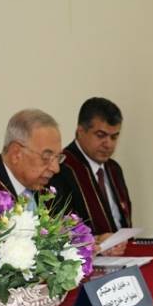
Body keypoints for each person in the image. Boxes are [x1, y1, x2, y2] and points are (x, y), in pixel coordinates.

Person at [50, 97, 132, 255]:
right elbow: (58, 230)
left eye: (114, 137)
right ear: (80, 131)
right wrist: (96, 241)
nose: (108, 144)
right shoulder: (61, 170)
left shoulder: (114, 169)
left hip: (123, 257)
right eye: (101, 135)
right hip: (88, 261)